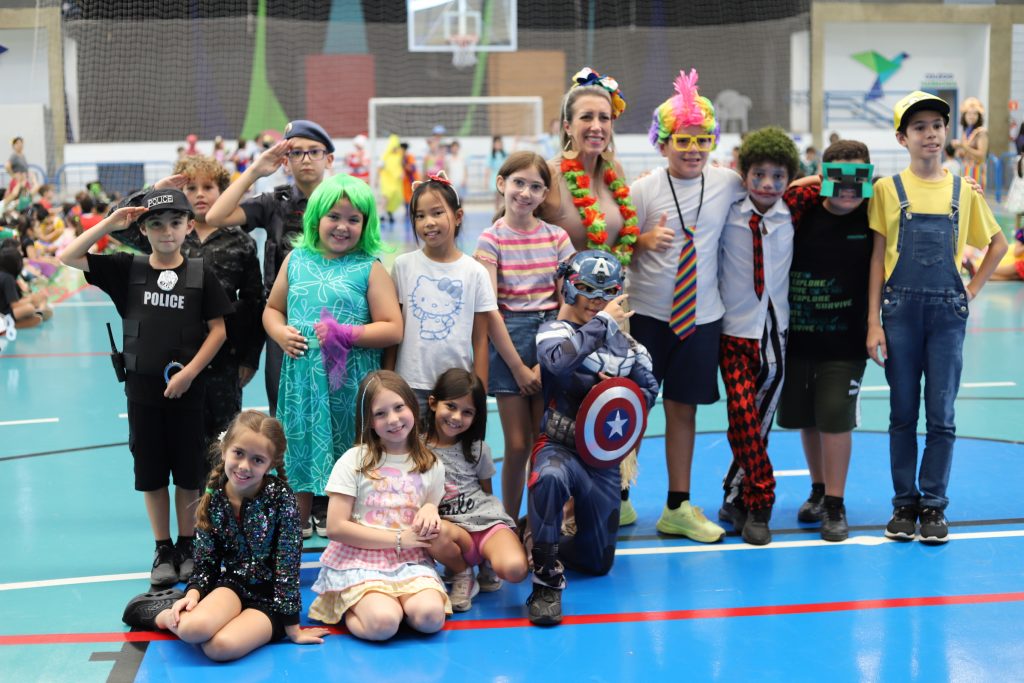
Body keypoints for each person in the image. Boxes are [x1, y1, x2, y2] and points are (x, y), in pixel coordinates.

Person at [60, 189, 233, 584]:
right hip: (142, 392)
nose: (166, 231)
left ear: (189, 226)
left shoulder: (200, 273)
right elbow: (68, 256)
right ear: (142, 229)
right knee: (151, 474)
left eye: (175, 222)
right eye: (156, 224)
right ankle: (163, 548)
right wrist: (110, 222)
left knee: (188, 473)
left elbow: (218, 331)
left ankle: (187, 544)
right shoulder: (127, 269)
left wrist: (189, 373)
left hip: (189, 391)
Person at [867, 92, 1007, 543]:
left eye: (937, 126)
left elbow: (998, 245)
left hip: (947, 315)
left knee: (942, 415)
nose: (930, 134)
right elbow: (876, 259)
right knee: (902, 413)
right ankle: (903, 504)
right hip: (899, 316)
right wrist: (873, 322)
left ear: (946, 132)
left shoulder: (963, 190)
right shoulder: (887, 190)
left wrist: (972, 288)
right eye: (919, 127)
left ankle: (933, 505)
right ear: (902, 138)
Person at [625, 68, 743, 538]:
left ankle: (677, 504)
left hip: (701, 318)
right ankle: (618, 496)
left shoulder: (728, 182)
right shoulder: (643, 190)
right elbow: (615, 245)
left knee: (683, 409)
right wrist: (641, 241)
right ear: (662, 144)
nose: (693, 149)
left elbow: (773, 187)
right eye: (683, 140)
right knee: (632, 408)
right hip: (647, 318)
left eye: (702, 140)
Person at [120, 411, 329, 659]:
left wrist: (292, 627)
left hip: (271, 599)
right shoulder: (214, 497)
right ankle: (163, 613)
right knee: (191, 629)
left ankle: (223, 621)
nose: (244, 466)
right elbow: (206, 562)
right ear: (224, 450)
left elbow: (287, 566)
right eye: (238, 453)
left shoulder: (281, 498)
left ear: (271, 465)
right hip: (232, 586)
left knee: (219, 648)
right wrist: (193, 594)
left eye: (257, 460)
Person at [263, 173, 402, 540]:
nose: (343, 226)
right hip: (303, 381)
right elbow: (272, 309)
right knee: (299, 449)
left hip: (349, 383)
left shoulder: (369, 267)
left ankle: (345, 521)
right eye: (334, 217)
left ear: (365, 225)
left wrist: (348, 333)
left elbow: (393, 328)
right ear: (316, 219)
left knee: (349, 450)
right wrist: (279, 332)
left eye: (353, 219)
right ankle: (294, 524)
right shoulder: (295, 260)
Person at [526, 250, 658, 625]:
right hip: (558, 446)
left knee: (598, 561)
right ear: (569, 287)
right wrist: (603, 324)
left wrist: (616, 391)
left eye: (607, 292)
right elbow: (556, 363)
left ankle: (536, 538)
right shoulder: (554, 331)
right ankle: (546, 583)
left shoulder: (630, 348)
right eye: (587, 288)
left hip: (601, 459)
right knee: (548, 478)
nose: (596, 299)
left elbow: (648, 393)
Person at [109, 157, 267, 446]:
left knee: (223, 440)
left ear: (222, 192)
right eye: (191, 188)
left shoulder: (242, 242)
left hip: (222, 360)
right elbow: (115, 222)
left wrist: (249, 357)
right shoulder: (165, 234)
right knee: (178, 442)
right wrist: (154, 192)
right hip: (171, 359)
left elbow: (254, 301)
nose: (200, 194)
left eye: (208, 187)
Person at [776, 139, 876, 542]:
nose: (848, 188)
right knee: (808, 419)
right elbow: (775, 193)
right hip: (797, 340)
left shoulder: (873, 213)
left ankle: (835, 503)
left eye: (858, 177)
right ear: (822, 178)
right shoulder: (801, 211)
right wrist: (809, 180)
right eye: (838, 177)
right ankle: (818, 489)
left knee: (834, 417)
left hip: (846, 343)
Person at [206, 119, 335, 418]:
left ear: (329, 159)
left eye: (314, 151)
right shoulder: (274, 203)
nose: (305, 159)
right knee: (283, 408)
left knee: (335, 407)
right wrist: (255, 170)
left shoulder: (344, 200)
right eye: (296, 153)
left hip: (333, 317)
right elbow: (215, 216)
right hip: (283, 322)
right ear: (285, 162)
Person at [308, 370, 451, 640]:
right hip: (361, 559)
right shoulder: (354, 460)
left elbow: (429, 508)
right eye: (380, 413)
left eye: (399, 407)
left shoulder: (431, 464)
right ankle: (346, 605)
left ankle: (397, 604)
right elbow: (336, 527)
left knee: (430, 618)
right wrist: (398, 539)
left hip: (410, 560)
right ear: (369, 422)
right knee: (383, 624)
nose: (393, 419)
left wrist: (430, 509)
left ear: (412, 406)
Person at [474, 151, 573, 520]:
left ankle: (538, 524)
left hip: (552, 337)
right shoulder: (490, 239)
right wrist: (518, 367)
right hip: (508, 340)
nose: (525, 193)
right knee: (516, 445)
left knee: (542, 443)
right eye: (518, 183)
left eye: (535, 186)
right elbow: (490, 308)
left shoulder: (557, 238)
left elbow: (569, 302)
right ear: (502, 184)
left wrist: (548, 361)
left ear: (545, 194)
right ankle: (508, 521)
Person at [716, 126, 800, 546]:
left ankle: (735, 497)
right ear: (744, 173)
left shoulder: (795, 209)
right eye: (759, 174)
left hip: (775, 335)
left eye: (778, 176)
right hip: (734, 333)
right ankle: (763, 499)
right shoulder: (727, 209)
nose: (768, 184)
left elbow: (833, 185)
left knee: (760, 423)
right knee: (742, 416)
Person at [384, 172, 495, 412]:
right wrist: (388, 383)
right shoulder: (403, 266)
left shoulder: (475, 272)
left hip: (457, 389)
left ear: (458, 216)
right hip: (408, 384)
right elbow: (395, 333)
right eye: (420, 216)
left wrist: (479, 397)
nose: (428, 222)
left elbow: (480, 341)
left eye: (437, 213)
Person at [423, 368, 528, 611]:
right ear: (433, 403)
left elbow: (486, 493)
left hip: (486, 525)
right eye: (451, 406)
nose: (457, 417)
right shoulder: (418, 448)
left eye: (467, 412)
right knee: (430, 531)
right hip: (452, 534)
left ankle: (487, 562)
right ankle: (463, 574)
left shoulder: (478, 448)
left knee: (515, 569)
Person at [539, 68, 640, 258]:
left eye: (604, 118)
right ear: (567, 127)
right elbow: (510, 231)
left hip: (614, 276)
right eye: (586, 117)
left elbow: (626, 237)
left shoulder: (616, 170)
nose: (596, 126)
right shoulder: (547, 174)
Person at [952, 97, 988, 190]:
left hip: (976, 172)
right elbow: (965, 153)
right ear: (964, 115)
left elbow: (981, 155)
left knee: (975, 196)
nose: (971, 116)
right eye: (969, 113)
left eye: (975, 113)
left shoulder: (981, 132)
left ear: (979, 116)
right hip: (966, 171)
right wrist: (959, 150)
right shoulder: (966, 132)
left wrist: (963, 146)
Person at [488, 136, 508, 210]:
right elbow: (488, 168)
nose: (498, 145)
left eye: (499, 143)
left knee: (504, 196)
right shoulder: (491, 155)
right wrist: (486, 180)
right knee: (496, 197)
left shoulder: (504, 154)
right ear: (493, 145)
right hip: (495, 177)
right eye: (496, 143)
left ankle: (504, 212)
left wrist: (516, 142)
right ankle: (496, 212)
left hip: (504, 176)